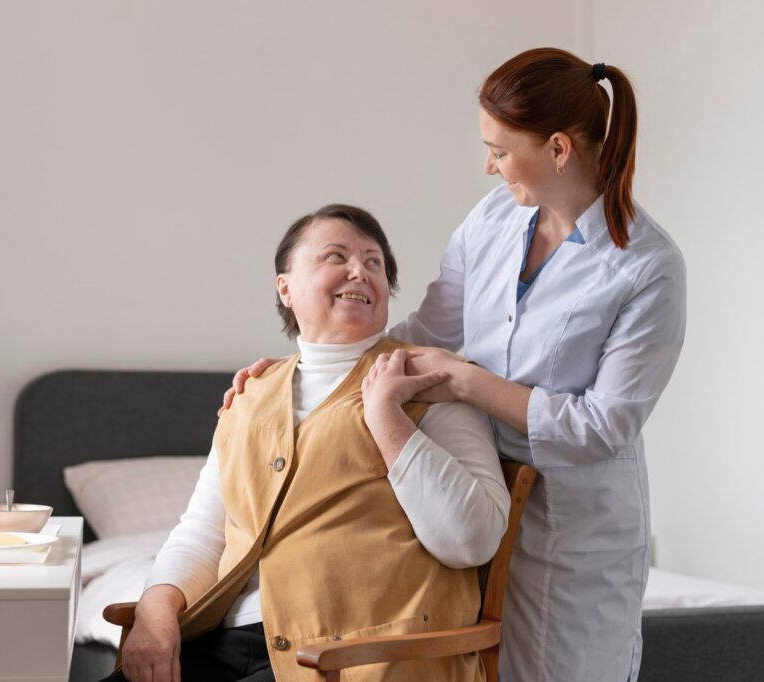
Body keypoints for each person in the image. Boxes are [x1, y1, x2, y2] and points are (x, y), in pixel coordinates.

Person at [223, 48, 686, 682]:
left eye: (499, 150)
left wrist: (468, 380)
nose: (489, 165)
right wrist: (303, 369)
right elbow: (426, 331)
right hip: (475, 492)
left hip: (575, 524)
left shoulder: (648, 266)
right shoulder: (493, 218)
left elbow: (603, 427)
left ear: (558, 149)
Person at [103, 205, 510, 682]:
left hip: (354, 659)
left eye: (374, 262)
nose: (359, 270)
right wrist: (155, 611)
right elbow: (205, 532)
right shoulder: (251, 395)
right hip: (224, 643)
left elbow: (472, 539)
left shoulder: (430, 380)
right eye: (336, 256)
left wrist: (387, 420)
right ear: (285, 288)